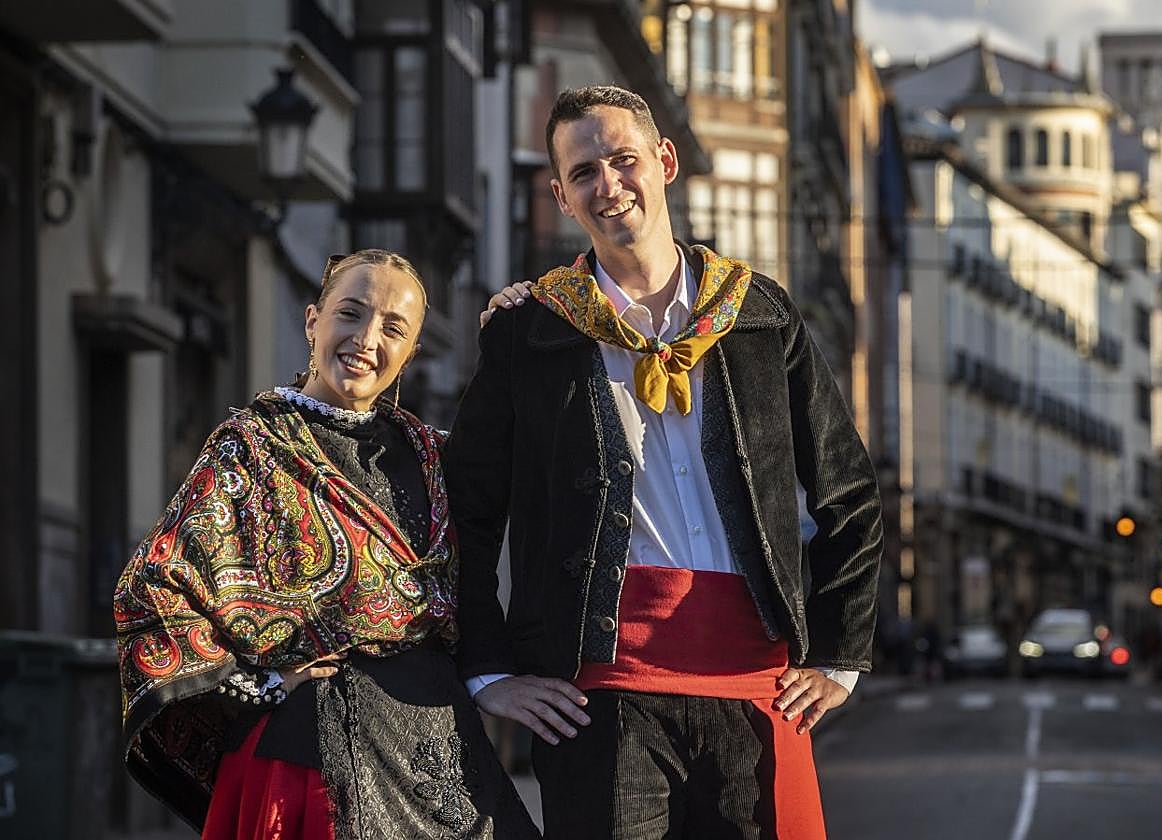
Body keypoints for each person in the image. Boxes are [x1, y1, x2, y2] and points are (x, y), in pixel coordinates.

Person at [447, 86, 883, 839]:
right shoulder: (530, 332)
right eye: (584, 172)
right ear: (561, 196)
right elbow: (467, 512)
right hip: (596, 694)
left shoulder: (759, 316)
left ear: (665, 161)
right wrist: (488, 672)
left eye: (623, 160)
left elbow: (847, 490)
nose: (608, 185)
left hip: (756, 687)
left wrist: (840, 654)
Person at [114, 249, 538, 840]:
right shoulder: (251, 447)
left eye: (393, 328)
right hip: (311, 748)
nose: (366, 339)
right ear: (314, 321)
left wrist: (524, 326)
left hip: (436, 744)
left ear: (411, 352)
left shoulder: (432, 454)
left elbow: (532, 473)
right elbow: (154, 586)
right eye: (350, 314)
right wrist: (255, 683)